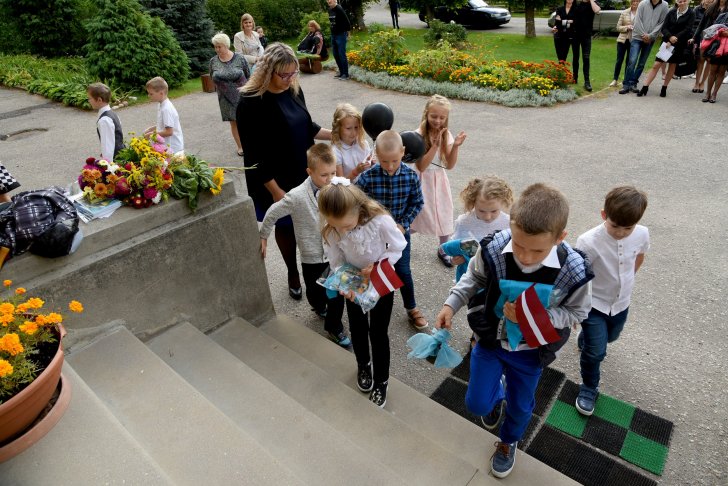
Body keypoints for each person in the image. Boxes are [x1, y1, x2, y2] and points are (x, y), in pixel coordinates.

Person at [434, 183, 593, 479]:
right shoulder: (494, 248)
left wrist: (535, 315)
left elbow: (578, 312)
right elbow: (473, 278)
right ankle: (498, 391)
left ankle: (508, 442)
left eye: (538, 250)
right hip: (491, 341)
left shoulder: (573, 270)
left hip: (531, 352)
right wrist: (450, 304)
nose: (526, 257)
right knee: (476, 403)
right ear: (510, 226)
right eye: (519, 245)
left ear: (560, 238)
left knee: (520, 408)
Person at [237, 42, 331, 301]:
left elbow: (307, 125)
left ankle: (316, 272)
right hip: (273, 177)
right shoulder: (249, 102)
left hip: (302, 170)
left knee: (312, 225)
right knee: (286, 225)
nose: (290, 79)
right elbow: (253, 154)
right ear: (267, 72)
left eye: (293, 73)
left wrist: (337, 134)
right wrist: (276, 191)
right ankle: (292, 272)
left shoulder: (293, 89)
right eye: (284, 74)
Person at [319, 178, 407, 407]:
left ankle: (381, 380)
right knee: (357, 327)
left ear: (359, 209)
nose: (342, 231)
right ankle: (363, 365)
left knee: (378, 332)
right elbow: (336, 261)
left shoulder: (380, 221)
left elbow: (398, 246)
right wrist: (345, 284)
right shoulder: (333, 228)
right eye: (337, 226)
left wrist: (378, 266)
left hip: (379, 281)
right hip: (353, 284)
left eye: (347, 226)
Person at [259, 144, 351, 347]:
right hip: (312, 257)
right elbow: (273, 212)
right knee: (315, 293)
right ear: (310, 172)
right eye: (324, 175)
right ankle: (318, 305)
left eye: (333, 173)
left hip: (336, 255)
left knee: (337, 295)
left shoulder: (338, 187)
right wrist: (263, 235)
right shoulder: (297, 196)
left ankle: (334, 327)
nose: (330, 179)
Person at [575, 186, 649, 416]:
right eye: (615, 226)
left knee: (612, 336)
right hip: (594, 304)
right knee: (596, 352)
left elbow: (640, 256)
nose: (621, 233)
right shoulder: (588, 241)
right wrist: (574, 307)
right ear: (603, 215)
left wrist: (628, 279)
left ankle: (586, 338)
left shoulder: (642, 234)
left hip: (621, 303)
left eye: (628, 228)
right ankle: (589, 387)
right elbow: (578, 276)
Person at [355, 130, 426, 330]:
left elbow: (417, 202)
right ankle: (372, 298)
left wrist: (403, 224)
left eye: (395, 160)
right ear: (376, 154)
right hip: (373, 235)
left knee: (403, 270)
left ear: (403, 151)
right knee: (372, 266)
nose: (390, 166)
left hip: (399, 233)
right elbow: (355, 201)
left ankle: (411, 307)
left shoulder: (411, 176)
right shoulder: (367, 177)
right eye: (384, 161)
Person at [411, 94, 467, 268]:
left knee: (443, 213)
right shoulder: (418, 135)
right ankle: (397, 239)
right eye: (434, 116)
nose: (437, 121)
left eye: (442, 117)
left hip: (439, 179)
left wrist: (455, 146)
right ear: (426, 114)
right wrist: (435, 145)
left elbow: (449, 165)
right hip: (421, 180)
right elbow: (421, 166)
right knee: (418, 215)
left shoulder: (446, 134)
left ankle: (443, 248)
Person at [441, 175, 513, 283]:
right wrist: (453, 260)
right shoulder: (463, 222)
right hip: (469, 277)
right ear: (472, 202)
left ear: (503, 201)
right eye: (481, 211)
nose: (487, 217)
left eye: (494, 211)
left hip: (496, 277)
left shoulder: (508, 223)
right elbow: (457, 247)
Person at [636, 0, 694, 97]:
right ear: (677, 2)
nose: (682, 3)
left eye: (684, 1)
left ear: (687, 1)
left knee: (672, 65)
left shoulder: (691, 13)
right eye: (680, 1)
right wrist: (669, 37)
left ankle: (664, 88)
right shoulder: (671, 12)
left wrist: (675, 38)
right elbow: (664, 27)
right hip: (666, 42)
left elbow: (688, 29)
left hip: (679, 44)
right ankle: (645, 87)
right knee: (656, 65)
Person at [209, 32, 250, 157]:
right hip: (225, 99)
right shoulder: (213, 61)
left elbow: (248, 75)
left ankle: (251, 144)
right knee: (234, 122)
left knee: (247, 121)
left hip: (242, 96)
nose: (217, 49)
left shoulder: (239, 58)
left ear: (226, 45)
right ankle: (240, 146)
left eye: (219, 46)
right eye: (215, 47)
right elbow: (212, 76)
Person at [619, 0, 669, 94]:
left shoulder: (665, 5)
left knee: (641, 63)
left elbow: (661, 23)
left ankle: (633, 83)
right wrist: (644, 35)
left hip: (650, 39)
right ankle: (626, 85)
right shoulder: (642, 3)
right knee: (632, 61)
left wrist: (650, 36)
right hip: (637, 37)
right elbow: (638, 20)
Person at [331, 103, 372, 180]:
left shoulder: (363, 143)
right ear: (338, 128)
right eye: (348, 128)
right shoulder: (336, 151)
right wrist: (356, 171)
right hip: (350, 187)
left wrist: (372, 163)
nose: (353, 132)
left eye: (356, 127)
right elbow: (341, 183)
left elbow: (370, 169)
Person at [697, 3, 728, 103]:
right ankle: (708, 93)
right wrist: (720, 31)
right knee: (713, 70)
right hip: (717, 46)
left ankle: (714, 94)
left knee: (722, 71)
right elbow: (713, 29)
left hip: (727, 48)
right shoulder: (722, 15)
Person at [143, 77, 184, 154]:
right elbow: (164, 124)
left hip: (173, 149)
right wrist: (151, 129)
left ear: (161, 93)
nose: (148, 95)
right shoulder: (161, 104)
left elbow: (169, 131)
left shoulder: (166, 109)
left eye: (151, 94)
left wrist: (152, 135)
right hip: (168, 148)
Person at [87, 82, 123, 162]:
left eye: (90, 98)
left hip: (116, 160)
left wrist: (107, 165)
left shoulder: (104, 120)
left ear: (99, 100)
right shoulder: (112, 113)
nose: (88, 101)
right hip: (120, 155)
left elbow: (108, 146)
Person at [572, 0, 602, 91]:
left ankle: (587, 82)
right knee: (575, 57)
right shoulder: (577, 3)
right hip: (575, 34)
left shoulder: (593, 3)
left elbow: (597, 10)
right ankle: (575, 78)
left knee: (586, 58)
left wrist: (591, 0)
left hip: (586, 35)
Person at [610, 0, 639, 87]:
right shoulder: (624, 12)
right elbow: (618, 27)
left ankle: (626, 80)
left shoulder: (641, 13)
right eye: (634, 1)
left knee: (630, 62)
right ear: (631, 2)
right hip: (622, 40)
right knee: (619, 60)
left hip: (634, 40)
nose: (635, 3)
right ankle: (615, 79)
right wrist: (627, 27)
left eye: (637, 1)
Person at [687, 0, 713, 93]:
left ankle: (702, 83)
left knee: (709, 61)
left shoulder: (716, 10)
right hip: (700, 37)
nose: (708, 1)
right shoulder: (697, 9)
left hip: (712, 38)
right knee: (700, 60)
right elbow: (695, 24)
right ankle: (697, 83)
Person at [327, 0, 352, 80]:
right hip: (333, 35)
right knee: (335, 54)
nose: (328, 1)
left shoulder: (339, 9)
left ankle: (346, 74)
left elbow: (347, 21)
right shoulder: (330, 10)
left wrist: (348, 34)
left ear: (335, 1)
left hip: (341, 34)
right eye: (327, 0)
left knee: (341, 54)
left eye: (330, 0)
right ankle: (341, 72)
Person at [552, 0, 577, 68]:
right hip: (558, 34)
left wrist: (562, 21)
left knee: (564, 55)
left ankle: (561, 70)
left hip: (569, 35)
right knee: (559, 56)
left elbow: (576, 22)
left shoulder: (576, 9)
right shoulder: (560, 9)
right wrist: (569, 21)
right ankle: (561, 70)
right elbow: (557, 22)